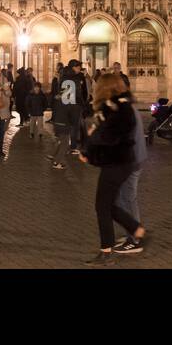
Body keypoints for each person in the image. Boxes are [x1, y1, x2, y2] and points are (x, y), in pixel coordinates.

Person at [80, 72, 147, 266]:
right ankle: (134, 229)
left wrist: (92, 142)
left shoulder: (119, 108)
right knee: (109, 203)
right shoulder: (117, 105)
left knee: (110, 203)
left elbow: (111, 138)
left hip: (121, 162)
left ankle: (115, 247)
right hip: (123, 161)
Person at [113, 74, 148, 254]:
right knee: (122, 198)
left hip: (130, 161)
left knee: (126, 198)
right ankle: (132, 231)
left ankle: (135, 238)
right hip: (131, 160)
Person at [50, 67, 80, 169]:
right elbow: (71, 113)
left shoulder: (60, 98)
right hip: (64, 123)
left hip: (58, 122)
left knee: (61, 140)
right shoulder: (68, 101)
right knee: (64, 143)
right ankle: (56, 162)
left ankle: (54, 156)